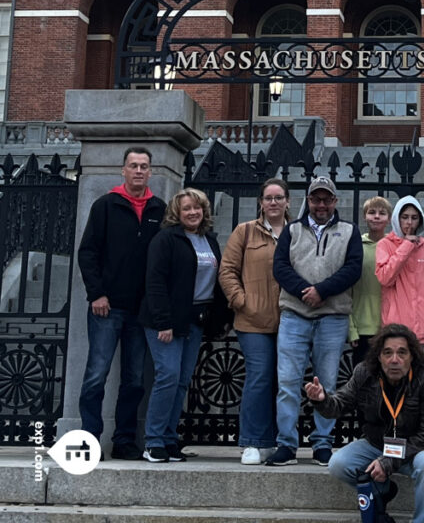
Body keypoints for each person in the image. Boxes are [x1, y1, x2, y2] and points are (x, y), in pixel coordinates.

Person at [77, 147, 165, 459]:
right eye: (133, 166)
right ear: (123, 170)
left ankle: (125, 440)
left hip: (141, 311)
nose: (139, 171)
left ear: (150, 172)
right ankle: (89, 439)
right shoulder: (106, 206)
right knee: (96, 375)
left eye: (144, 166)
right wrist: (96, 293)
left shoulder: (160, 209)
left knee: (134, 380)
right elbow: (87, 253)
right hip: (107, 306)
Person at [268, 175, 362, 467]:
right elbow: (280, 266)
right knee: (287, 382)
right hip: (295, 315)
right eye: (315, 199)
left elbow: (353, 268)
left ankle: (322, 443)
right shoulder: (292, 230)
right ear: (308, 201)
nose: (321, 204)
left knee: (328, 382)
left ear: (335, 201)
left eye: (326, 199)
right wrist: (303, 292)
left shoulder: (349, 231)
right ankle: (286, 444)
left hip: (332, 317)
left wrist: (322, 290)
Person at [306, 323, 424, 523]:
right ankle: (382, 491)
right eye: (388, 353)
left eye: (402, 353)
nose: (394, 360)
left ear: (412, 356)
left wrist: (388, 461)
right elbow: (340, 404)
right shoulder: (365, 373)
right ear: (379, 356)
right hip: (376, 443)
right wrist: (321, 399)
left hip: (414, 447)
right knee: (338, 464)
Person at [139, 187, 229, 463]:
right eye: (186, 208)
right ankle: (153, 440)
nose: (192, 212)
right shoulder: (166, 239)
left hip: (195, 320)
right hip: (165, 321)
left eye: (197, 207)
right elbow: (155, 282)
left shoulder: (209, 240)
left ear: (204, 211)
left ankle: (168, 438)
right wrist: (163, 322)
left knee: (180, 382)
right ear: (177, 213)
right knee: (167, 377)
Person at [219, 177, 291, 465]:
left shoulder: (295, 233)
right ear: (260, 202)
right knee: (259, 377)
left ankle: (274, 440)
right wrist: (241, 301)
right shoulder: (244, 232)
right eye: (268, 198)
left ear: (287, 201)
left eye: (278, 198)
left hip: (289, 320)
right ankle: (251, 441)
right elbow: (227, 271)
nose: (273, 203)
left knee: (282, 381)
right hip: (252, 321)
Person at [375, 196, 424, 376]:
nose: (409, 222)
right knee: (398, 388)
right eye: (404, 217)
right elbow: (385, 277)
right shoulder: (384, 245)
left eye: (414, 217)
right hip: (397, 333)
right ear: (397, 218)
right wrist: (406, 246)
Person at [349, 196, 393, 366]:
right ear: (364, 216)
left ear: (389, 219)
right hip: (362, 327)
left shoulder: (394, 247)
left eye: (382, 213)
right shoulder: (355, 246)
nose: (376, 216)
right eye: (371, 212)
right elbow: (348, 290)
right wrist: (351, 329)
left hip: (388, 325)